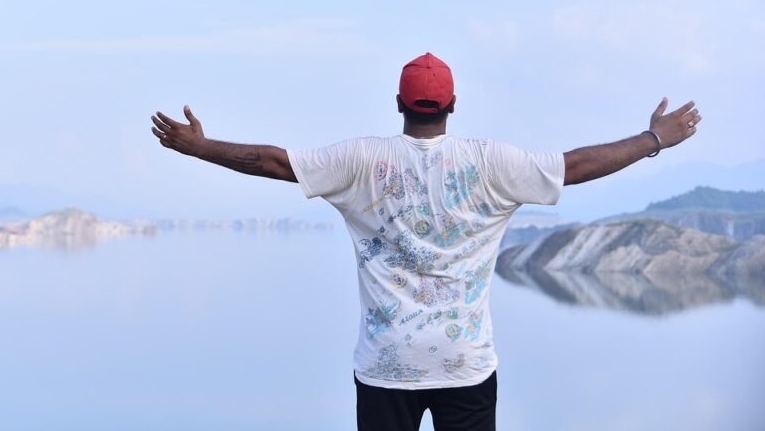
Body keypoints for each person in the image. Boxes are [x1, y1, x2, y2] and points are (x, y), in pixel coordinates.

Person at [150, 53, 700, 431]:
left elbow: (272, 162)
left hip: (385, 368)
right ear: (454, 104)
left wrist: (201, 148)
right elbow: (574, 167)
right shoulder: (491, 163)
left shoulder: (361, 161)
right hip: (466, 365)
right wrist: (655, 138)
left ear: (398, 103)